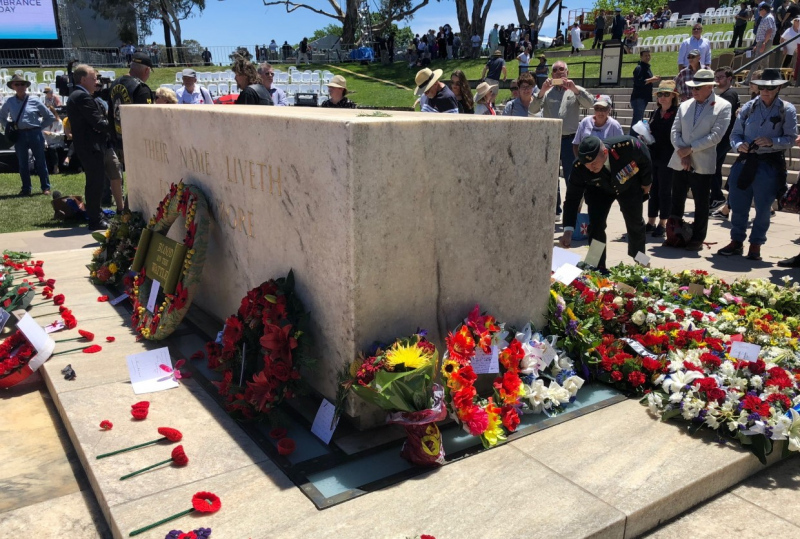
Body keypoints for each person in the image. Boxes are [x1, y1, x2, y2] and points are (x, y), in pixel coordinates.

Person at [718, 68, 797, 261]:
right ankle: (736, 241)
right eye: (762, 87)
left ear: (778, 88)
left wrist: (772, 142)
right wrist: (739, 145)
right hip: (745, 161)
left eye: (770, 88)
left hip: (769, 164)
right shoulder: (749, 107)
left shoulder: (786, 109)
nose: (765, 91)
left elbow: (790, 138)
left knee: (763, 207)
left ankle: (756, 244)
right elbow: (735, 134)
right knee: (738, 203)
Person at [559, 135, 652, 270]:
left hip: (628, 185)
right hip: (599, 190)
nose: (591, 168)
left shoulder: (628, 146)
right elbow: (572, 199)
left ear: (605, 152)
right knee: (596, 225)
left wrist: (646, 182)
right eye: (587, 166)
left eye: (594, 163)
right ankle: (596, 264)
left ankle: (641, 261)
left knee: (636, 223)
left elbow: (645, 158)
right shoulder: (579, 167)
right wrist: (568, 230)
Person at [666, 69, 732, 251]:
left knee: (701, 202)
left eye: (698, 87)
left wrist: (691, 149)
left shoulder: (723, 106)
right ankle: (674, 233)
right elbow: (675, 131)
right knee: (676, 199)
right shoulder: (685, 105)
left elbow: (716, 135)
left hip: (702, 162)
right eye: (693, 87)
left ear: (710, 86)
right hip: (680, 159)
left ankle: (697, 238)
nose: (694, 91)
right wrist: (683, 152)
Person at [531, 61, 595, 218]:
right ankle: (555, 210)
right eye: (555, 70)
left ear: (567, 72)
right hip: (551, 139)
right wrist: (542, 91)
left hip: (570, 140)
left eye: (562, 69)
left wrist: (575, 89)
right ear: (551, 74)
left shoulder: (575, 89)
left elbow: (590, 103)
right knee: (552, 176)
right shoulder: (546, 91)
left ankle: (572, 210)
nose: (558, 72)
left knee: (571, 176)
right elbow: (532, 109)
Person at [67, 64, 111, 230]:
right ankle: (95, 220)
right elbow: (98, 123)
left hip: (88, 146)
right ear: (83, 79)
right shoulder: (82, 97)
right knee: (95, 183)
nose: (96, 82)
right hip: (91, 147)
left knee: (95, 182)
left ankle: (96, 214)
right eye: (94, 79)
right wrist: (114, 123)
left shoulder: (78, 95)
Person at [0, 74, 54, 196]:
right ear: (13, 86)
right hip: (19, 134)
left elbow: (50, 116)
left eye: (22, 84)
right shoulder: (9, 101)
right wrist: (9, 126)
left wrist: (39, 127)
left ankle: (45, 187)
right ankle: (26, 188)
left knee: (40, 161)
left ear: (26, 86)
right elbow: (1, 116)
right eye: (17, 84)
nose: (20, 86)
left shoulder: (35, 100)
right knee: (23, 163)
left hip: (35, 133)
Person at [645, 81, 680, 238]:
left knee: (665, 191)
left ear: (673, 96)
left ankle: (663, 223)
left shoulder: (677, 112)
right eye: (660, 94)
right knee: (653, 190)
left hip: (669, 156)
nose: (663, 97)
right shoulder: (655, 112)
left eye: (666, 94)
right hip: (654, 155)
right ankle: (651, 221)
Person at [108, 52, 153, 165]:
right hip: (138, 143)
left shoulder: (114, 83)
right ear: (146, 70)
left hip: (120, 139)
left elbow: (110, 113)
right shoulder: (141, 88)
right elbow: (147, 119)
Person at [709, 67, 740, 213]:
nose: (717, 80)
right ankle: (716, 197)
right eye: (716, 77)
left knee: (711, 165)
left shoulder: (729, 95)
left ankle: (717, 197)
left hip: (724, 137)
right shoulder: (725, 94)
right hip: (724, 137)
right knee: (715, 166)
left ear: (729, 79)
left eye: (721, 77)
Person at [630, 49, 660, 127]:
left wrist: (652, 79)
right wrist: (652, 79)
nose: (647, 57)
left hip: (644, 97)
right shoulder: (639, 68)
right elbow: (639, 82)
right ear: (641, 57)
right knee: (637, 120)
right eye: (645, 55)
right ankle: (633, 134)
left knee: (639, 119)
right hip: (639, 97)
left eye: (649, 55)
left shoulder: (647, 67)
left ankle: (637, 133)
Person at [753, 4, 777, 73]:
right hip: (762, 41)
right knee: (763, 61)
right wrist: (757, 44)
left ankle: (750, 78)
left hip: (765, 41)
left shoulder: (768, 18)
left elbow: (769, 30)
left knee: (758, 61)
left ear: (764, 10)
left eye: (759, 10)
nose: (759, 12)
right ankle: (765, 77)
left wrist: (764, 43)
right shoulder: (765, 18)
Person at [42, 106, 65, 174]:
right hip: (47, 143)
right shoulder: (43, 122)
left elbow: (61, 135)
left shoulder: (59, 122)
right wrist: (45, 143)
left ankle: (56, 167)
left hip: (58, 142)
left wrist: (51, 134)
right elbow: (43, 135)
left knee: (52, 148)